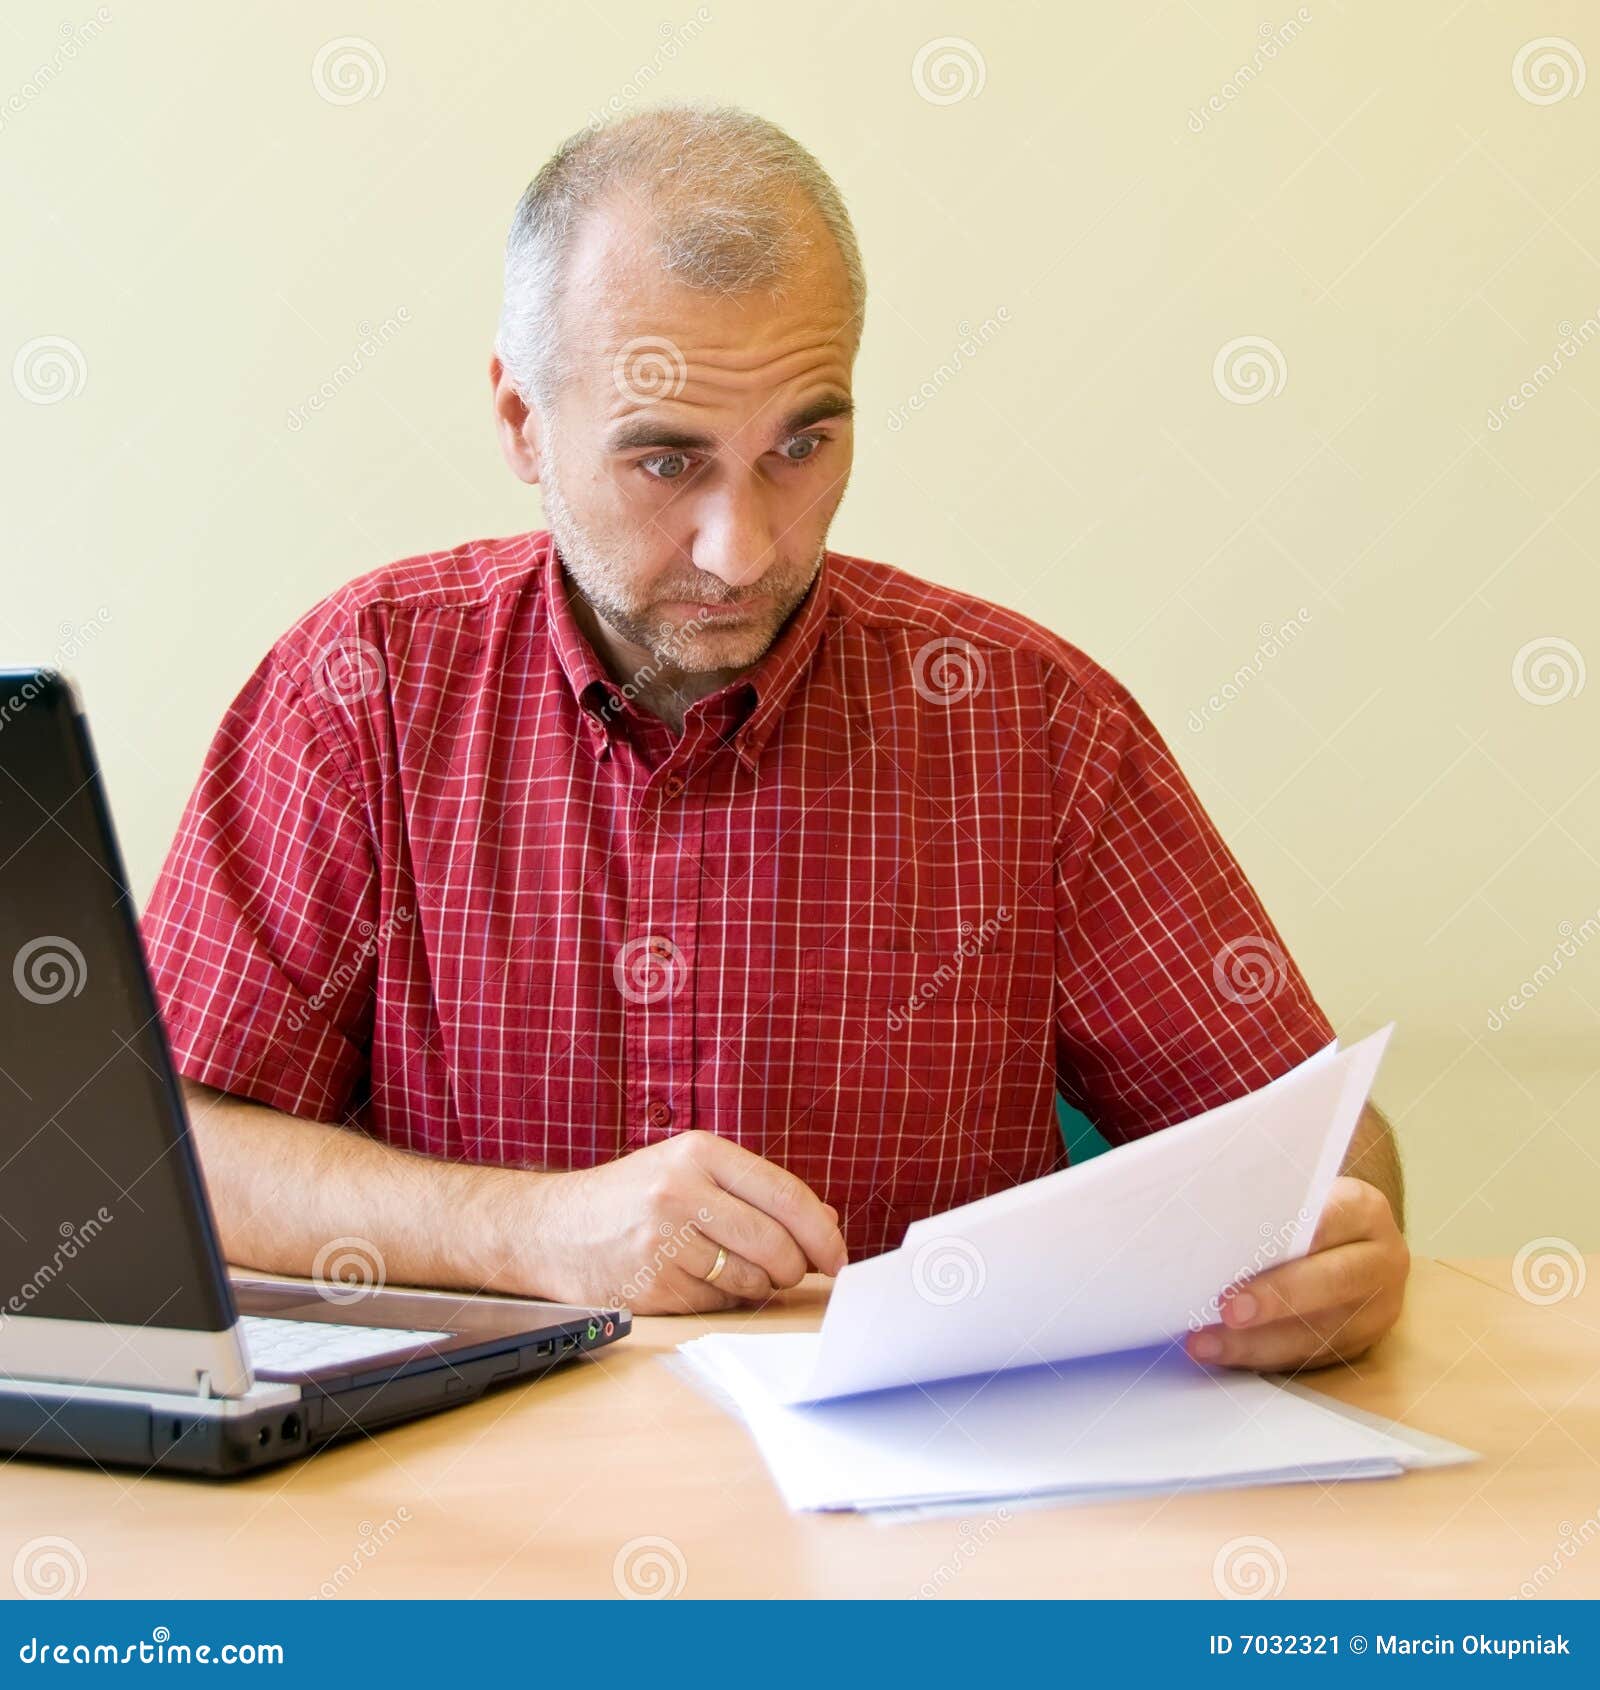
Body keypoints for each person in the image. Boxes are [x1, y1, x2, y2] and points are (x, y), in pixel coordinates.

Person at [141, 101, 1408, 1365]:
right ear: (523, 421)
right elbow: (168, 1151)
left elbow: (1319, 1148)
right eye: (664, 461)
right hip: (474, 1515)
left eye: (800, 445)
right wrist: (526, 1231)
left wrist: (1341, 1242)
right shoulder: (360, 688)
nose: (740, 548)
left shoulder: (1031, 727)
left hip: (925, 1521)